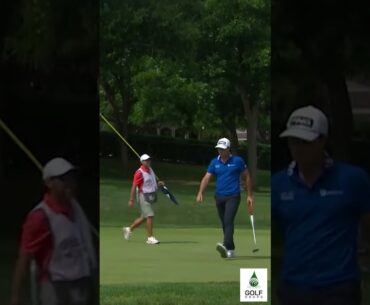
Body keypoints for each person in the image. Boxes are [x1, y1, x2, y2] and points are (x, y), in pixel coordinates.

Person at [272, 105, 370, 305]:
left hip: (339, 287)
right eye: (293, 141)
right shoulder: (278, 184)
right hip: (293, 286)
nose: (298, 148)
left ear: (323, 141)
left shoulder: (352, 179)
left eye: (305, 141)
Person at [10, 157, 97, 305]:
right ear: (49, 183)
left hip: (82, 284)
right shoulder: (40, 216)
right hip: (56, 287)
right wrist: (16, 298)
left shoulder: (75, 208)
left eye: (72, 178)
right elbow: (24, 258)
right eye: (63, 179)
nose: (70, 183)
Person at [196, 138, 253, 258]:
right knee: (225, 223)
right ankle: (231, 249)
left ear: (228, 149)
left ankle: (225, 245)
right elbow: (207, 177)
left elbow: (247, 176)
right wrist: (201, 192)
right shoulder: (214, 162)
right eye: (218, 149)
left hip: (233, 196)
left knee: (228, 220)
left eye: (222, 149)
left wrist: (249, 195)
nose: (220, 151)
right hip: (219, 196)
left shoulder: (237, 161)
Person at [123, 154, 164, 245]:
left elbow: (151, 184)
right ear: (141, 162)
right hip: (143, 196)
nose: (148, 161)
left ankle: (129, 229)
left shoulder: (151, 170)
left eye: (149, 160)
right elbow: (134, 186)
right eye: (146, 160)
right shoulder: (139, 172)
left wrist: (159, 184)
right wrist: (131, 199)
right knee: (150, 215)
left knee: (144, 217)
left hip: (151, 195)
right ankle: (150, 238)